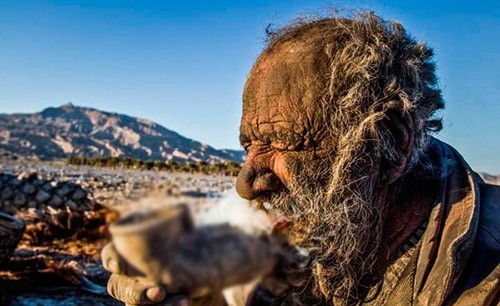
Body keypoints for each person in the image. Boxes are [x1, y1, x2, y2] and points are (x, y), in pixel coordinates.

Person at [102, 12, 499, 305]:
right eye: (249, 145)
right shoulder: (326, 234)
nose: (245, 183)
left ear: (387, 144)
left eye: (281, 141)